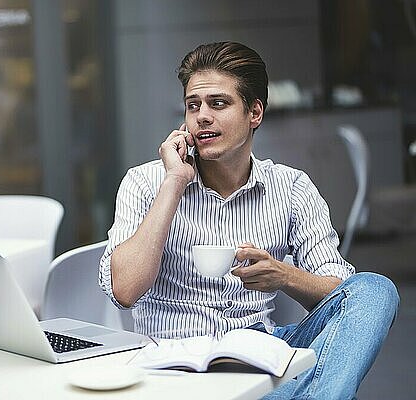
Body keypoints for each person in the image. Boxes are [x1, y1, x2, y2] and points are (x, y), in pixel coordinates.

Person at [99, 41, 399, 399]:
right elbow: (125, 291)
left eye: (218, 103)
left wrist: (283, 275)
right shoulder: (146, 182)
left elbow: (340, 293)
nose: (202, 116)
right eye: (193, 105)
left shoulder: (291, 187)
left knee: (376, 290)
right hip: (174, 364)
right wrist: (175, 182)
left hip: (260, 351)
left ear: (254, 113)